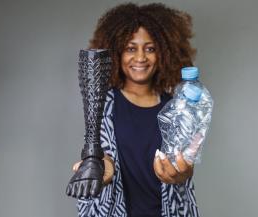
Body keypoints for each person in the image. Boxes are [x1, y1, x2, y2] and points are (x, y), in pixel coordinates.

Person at [72, 3, 199, 217]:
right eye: (131, 48)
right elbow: (103, 151)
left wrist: (184, 173)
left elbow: (182, 162)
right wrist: (103, 167)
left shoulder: (176, 107)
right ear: (116, 52)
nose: (140, 57)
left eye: (150, 49)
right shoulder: (104, 103)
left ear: (164, 53)